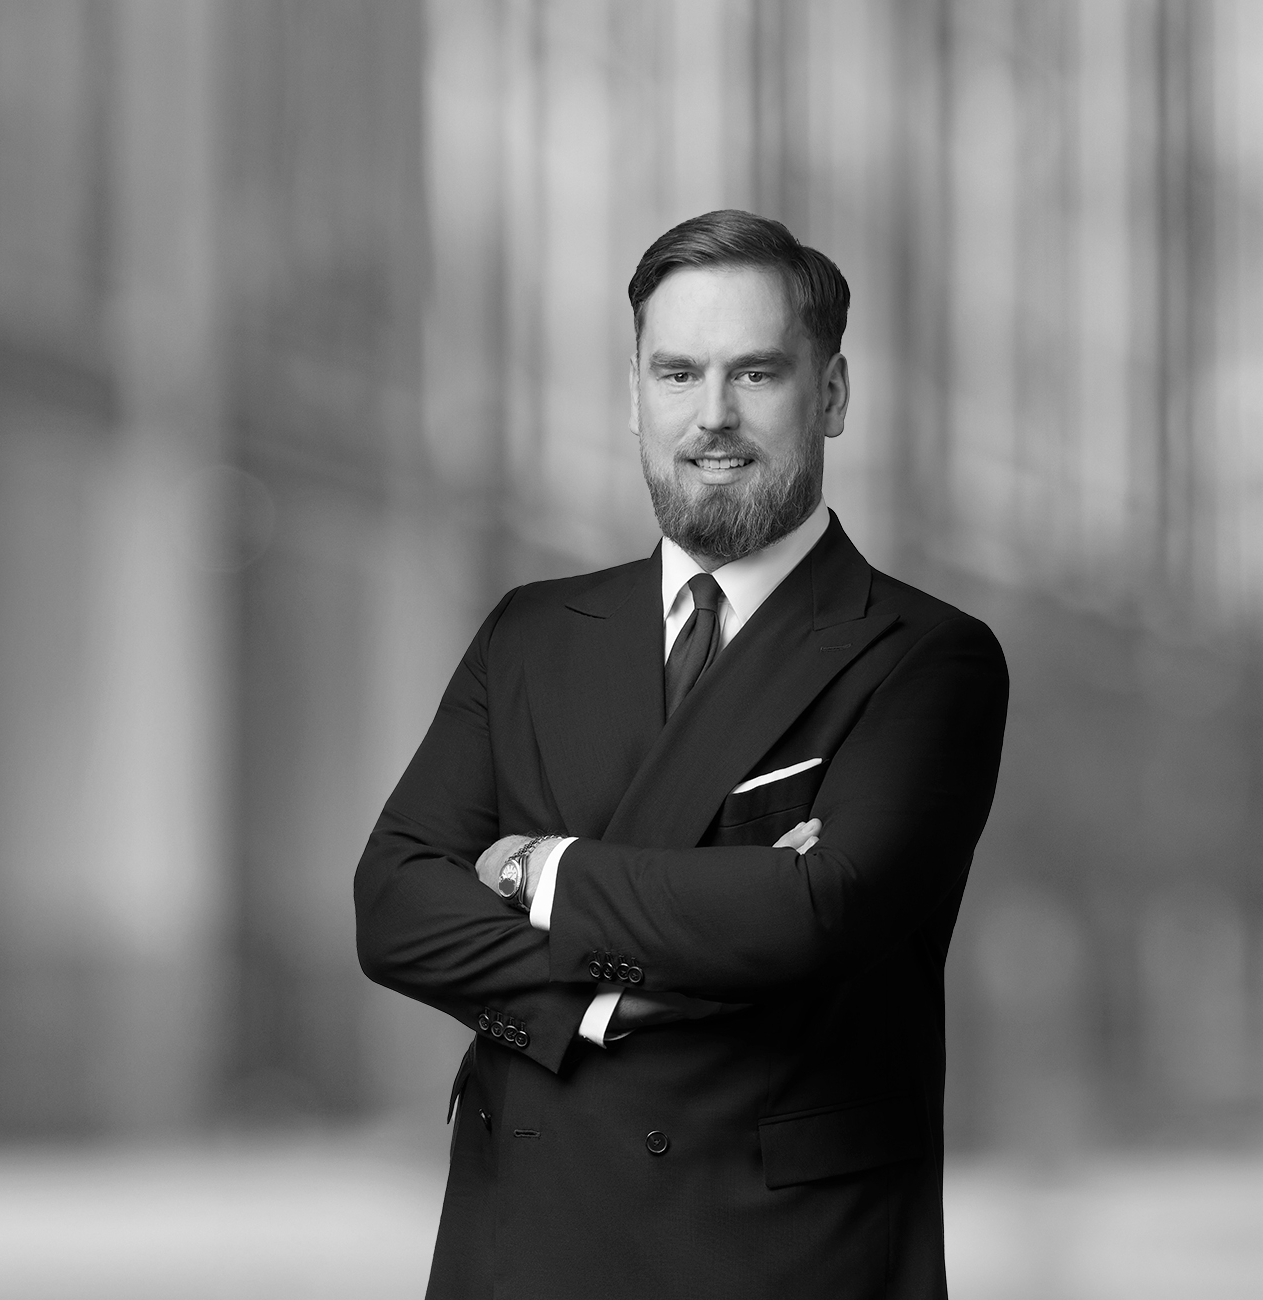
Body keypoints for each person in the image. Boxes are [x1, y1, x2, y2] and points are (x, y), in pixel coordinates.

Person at [354, 209, 1009, 1299]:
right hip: (523, 1240)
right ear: (633, 397)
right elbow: (394, 905)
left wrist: (540, 870)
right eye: (676, 374)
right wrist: (601, 1000)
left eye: (754, 373)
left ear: (830, 395)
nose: (712, 416)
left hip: (783, 1252)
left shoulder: (924, 656)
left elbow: (815, 913)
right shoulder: (530, 633)